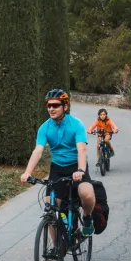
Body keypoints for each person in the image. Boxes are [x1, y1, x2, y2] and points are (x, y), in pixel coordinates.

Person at [21, 89, 96, 237]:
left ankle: (87, 218)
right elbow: (38, 151)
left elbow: (82, 149)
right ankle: (56, 250)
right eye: (49, 106)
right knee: (50, 208)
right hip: (57, 169)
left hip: (76, 166)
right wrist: (28, 172)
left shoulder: (76, 124)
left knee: (86, 194)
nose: (51, 109)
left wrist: (81, 170)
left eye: (55, 105)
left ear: (65, 107)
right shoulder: (44, 128)